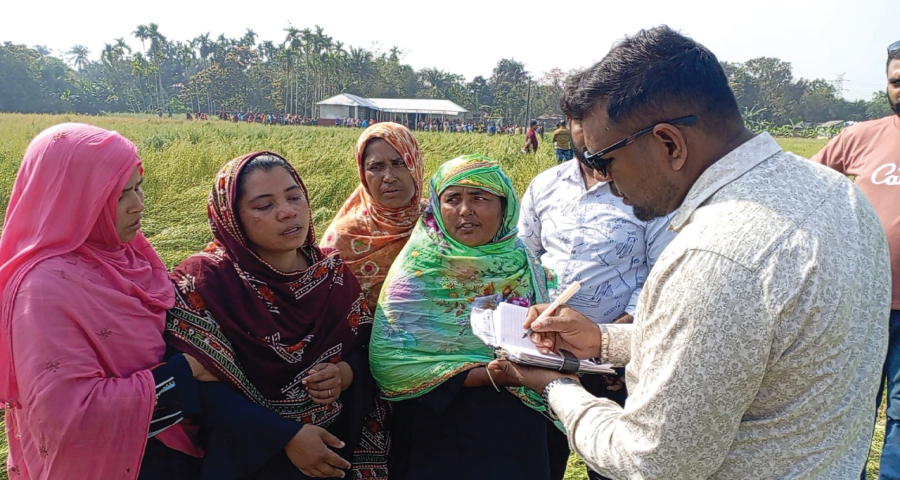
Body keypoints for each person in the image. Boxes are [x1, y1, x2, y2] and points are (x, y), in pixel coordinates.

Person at [491, 25, 891, 479]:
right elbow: (746, 347)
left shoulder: (715, 255)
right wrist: (603, 341)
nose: (604, 180)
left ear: (669, 144)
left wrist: (558, 386)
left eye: (603, 161)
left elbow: (653, 462)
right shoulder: (837, 192)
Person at [0, 123, 216, 479]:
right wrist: (184, 374)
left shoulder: (130, 255)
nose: (138, 205)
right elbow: (69, 421)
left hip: (174, 455)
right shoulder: (43, 289)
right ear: (73, 198)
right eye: (118, 195)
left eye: (138, 187)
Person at [165, 152, 389, 480]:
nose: (287, 212)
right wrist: (284, 436)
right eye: (264, 205)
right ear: (232, 217)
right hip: (247, 457)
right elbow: (200, 383)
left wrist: (345, 373)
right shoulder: (203, 282)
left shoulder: (333, 275)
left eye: (294, 196)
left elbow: (368, 347)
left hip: (333, 452)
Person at [369, 155, 557, 480]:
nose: (465, 210)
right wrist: (491, 375)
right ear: (438, 209)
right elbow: (393, 361)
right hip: (439, 431)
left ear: (504, 206)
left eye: (479, 198)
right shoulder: (417, 271)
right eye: (452, 199)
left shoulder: (523, 262)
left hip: (517, 429)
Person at [519, 96, 676, 479]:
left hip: (617, 358)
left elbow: (661, 268)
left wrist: (621, 333)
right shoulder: (545, 186)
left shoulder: (644, 191)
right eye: (580, 125)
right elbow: (524, 254)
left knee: (615, 463)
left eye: (601, 128)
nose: (590, 138)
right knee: (541, 458)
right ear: (568, 125)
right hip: (547, 351)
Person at [812, 40, 900, 480]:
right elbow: (808, 186)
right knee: (848, 408)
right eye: (897, 81)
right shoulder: (862, 136)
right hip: (860, 303)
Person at [321, 122, 426, 311]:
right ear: (363, 174)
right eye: (376, 167)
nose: (388, 177)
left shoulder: (437, 221)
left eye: (399, 163)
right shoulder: (344, 237)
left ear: (415, 166)